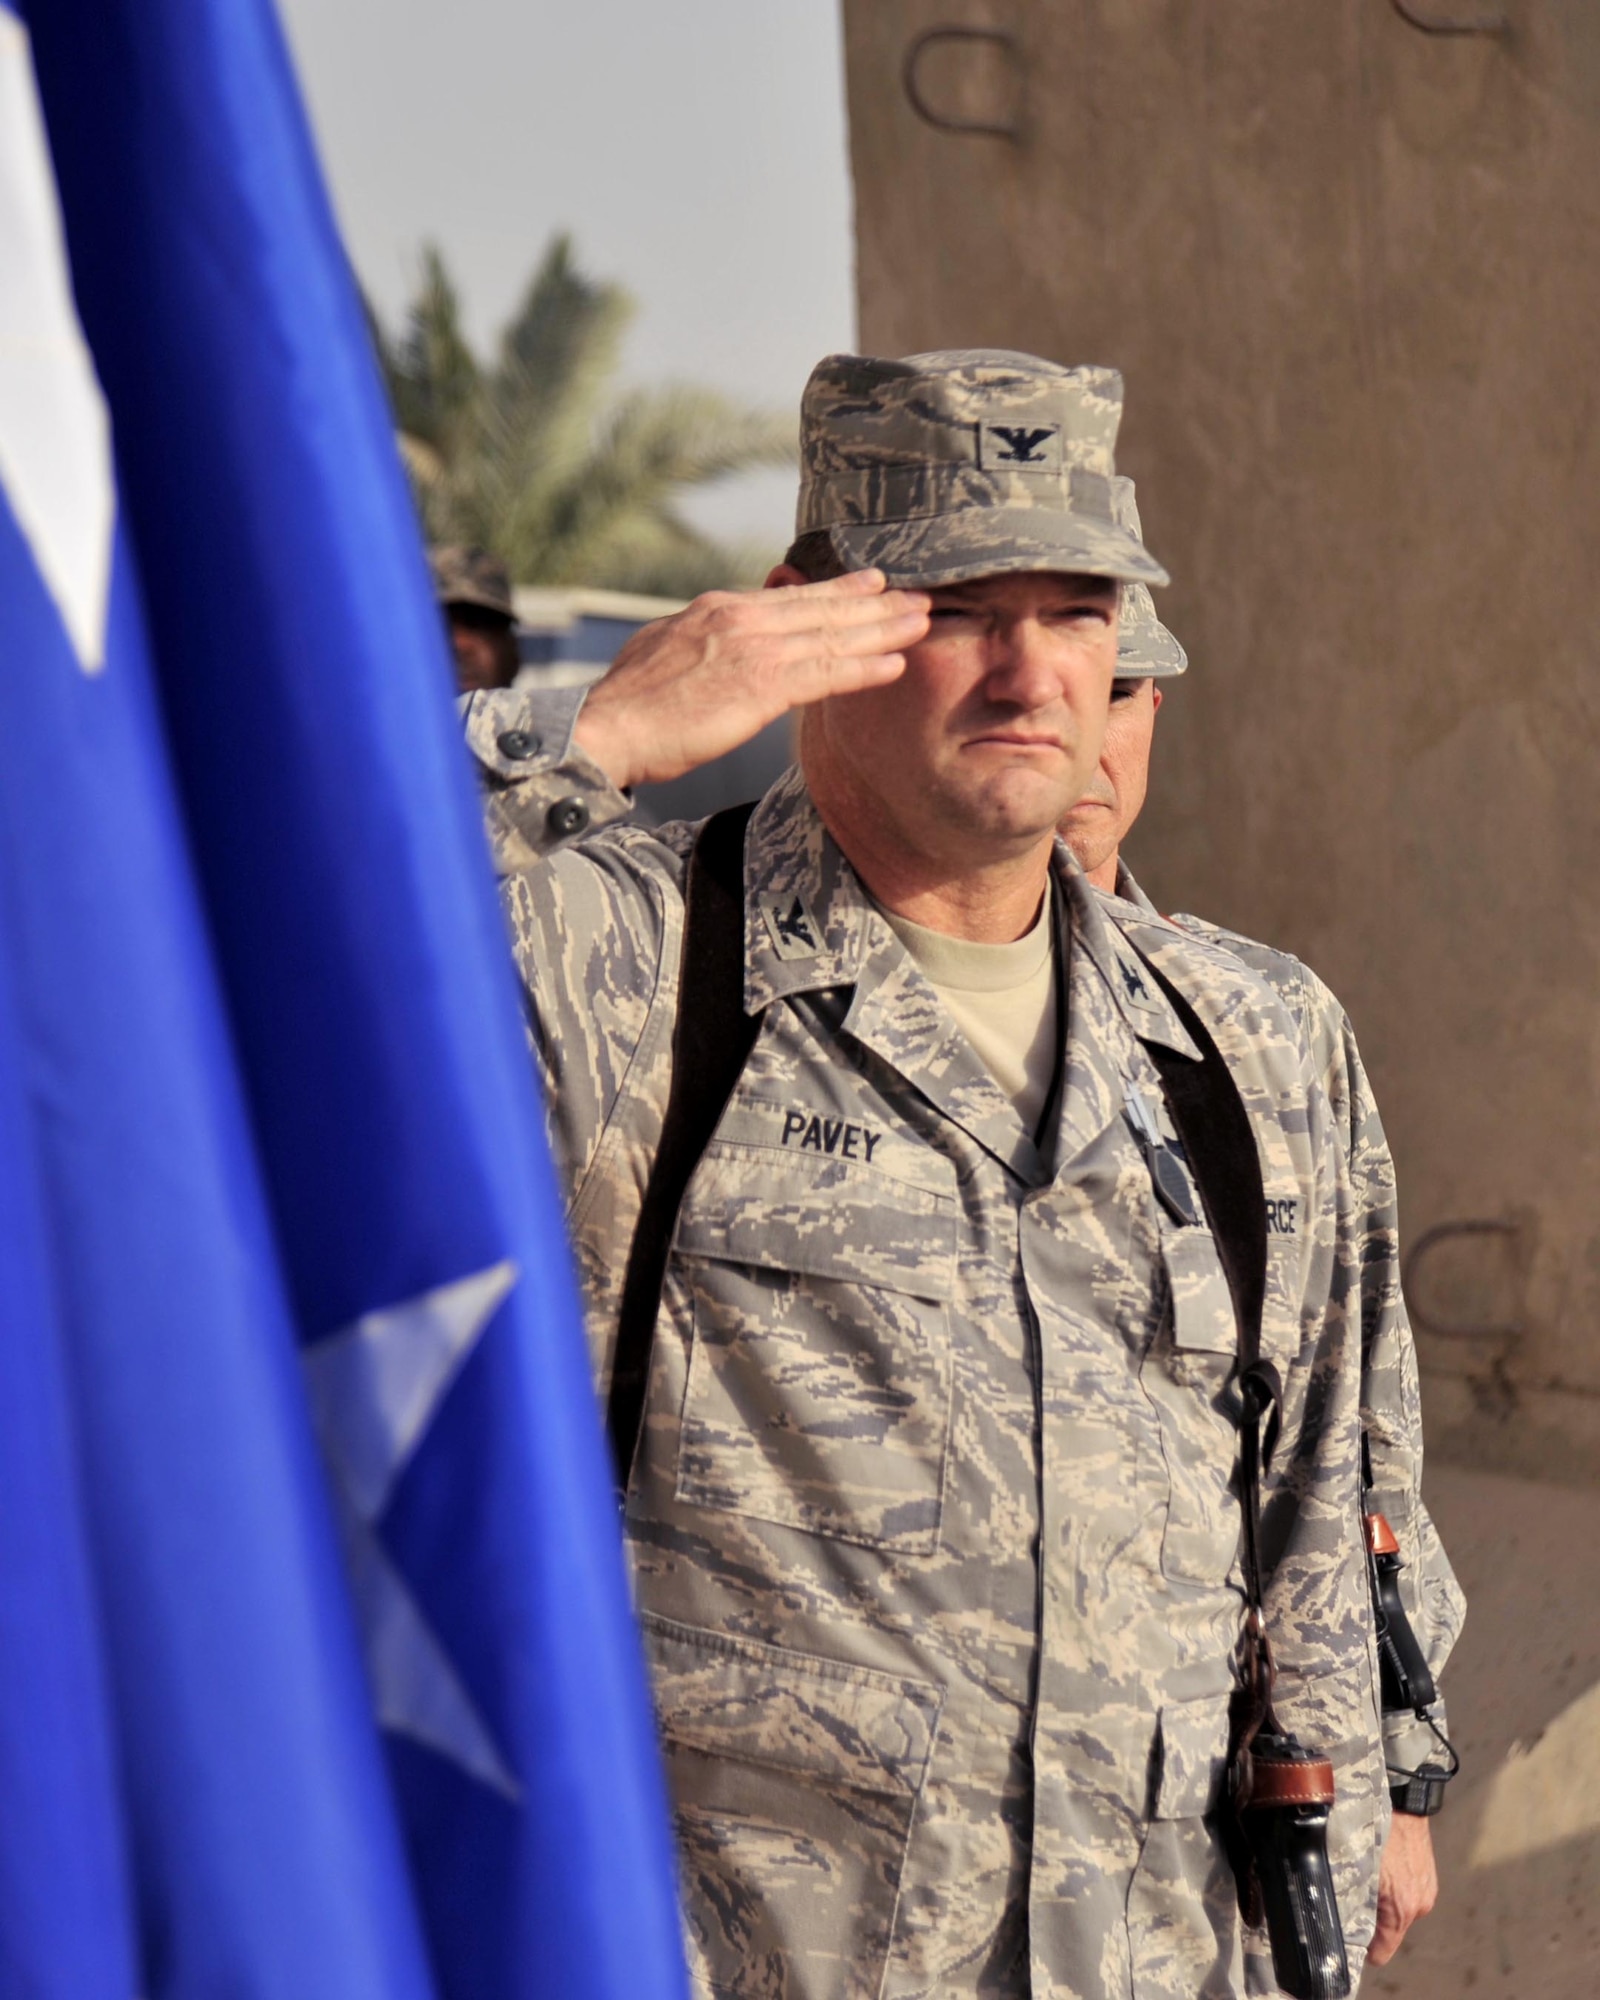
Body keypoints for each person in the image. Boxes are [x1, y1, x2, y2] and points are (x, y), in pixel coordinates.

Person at [463, 348, 1383, 1998]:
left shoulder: (1255, 1043)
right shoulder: (625, 961)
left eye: (1080, 606)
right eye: (960, 603)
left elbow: (1317, 1519)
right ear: (800, 623)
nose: (1034, 674)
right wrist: (580, 736)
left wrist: (1350, 1835)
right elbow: (239, 1019)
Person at [1061, 477, 1467, 1975]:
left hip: (1208, 1840)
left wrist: (1398, 1772)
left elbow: (1362, 1437)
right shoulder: (742, 992)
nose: (1086, 738)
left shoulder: (1263, 1026)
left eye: (1122, 690)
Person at [429, 543, 520, 693]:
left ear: (512, 652)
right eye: (442, 627)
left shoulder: (547, 714)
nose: (460, 645)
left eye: (478, 624)